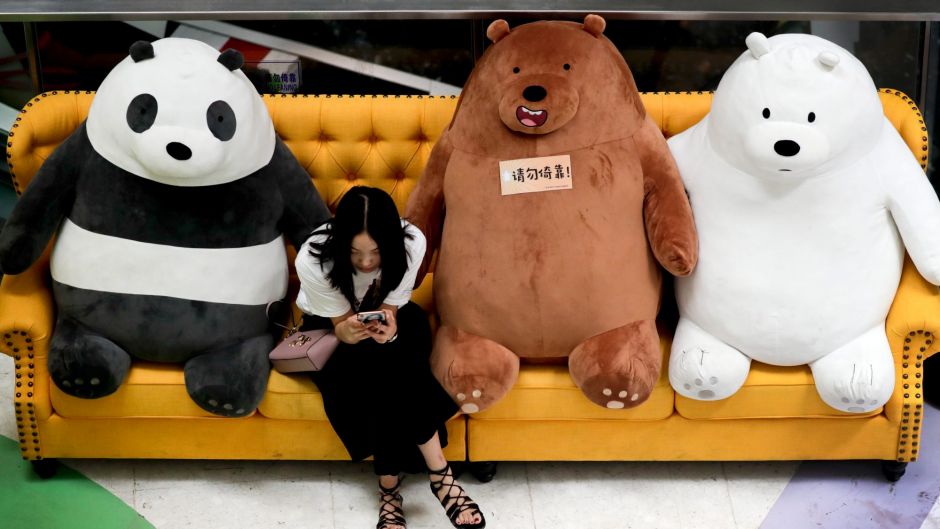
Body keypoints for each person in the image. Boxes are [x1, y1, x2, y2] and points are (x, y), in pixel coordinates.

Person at [295, 186, 486, 529]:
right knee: (381, 371)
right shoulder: (313, 256)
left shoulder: (411, 242)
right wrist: (349, 332)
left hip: (390, 316)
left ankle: (389, 490)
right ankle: (441, 477)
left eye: (376, 252)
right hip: (330, 327)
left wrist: (389, 330)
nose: (366, 262)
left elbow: (390, 309)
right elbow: (339, 326)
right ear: (341, 243)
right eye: (354, 253)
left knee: (390, 363)